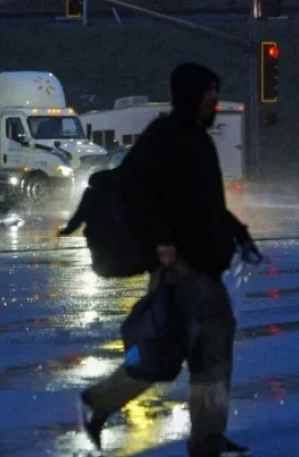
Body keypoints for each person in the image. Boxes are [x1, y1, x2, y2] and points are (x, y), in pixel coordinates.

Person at [77, 62, 263, 457]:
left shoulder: (195, 139)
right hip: (182, 266)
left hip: (201, 263)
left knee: (182, 350)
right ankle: (205, 438)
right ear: (193, 94)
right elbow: (137, 191)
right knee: (203, 344)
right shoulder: (167, 136)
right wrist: (161, 242)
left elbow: (205, 204)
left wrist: (239, 234)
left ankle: (107, 402)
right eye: (210, 90)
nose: (216, 98)